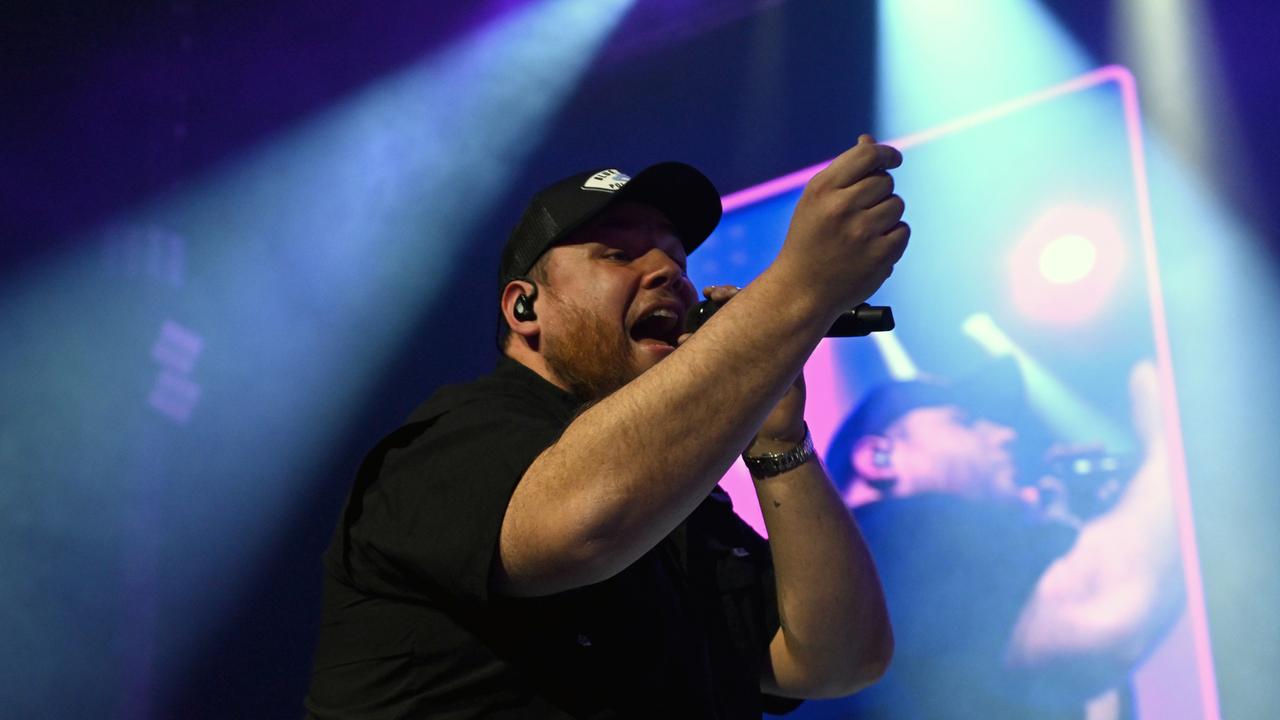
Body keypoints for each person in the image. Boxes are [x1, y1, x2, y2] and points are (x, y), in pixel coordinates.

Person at [304, 134, 909, 718]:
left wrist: (781, 443)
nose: (668, 272)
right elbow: (580, 525)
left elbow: (840, 660)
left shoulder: (683, 502)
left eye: (676, 258)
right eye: (619, 253)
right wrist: (796, 291)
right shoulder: (450, 443)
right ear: (524, 307)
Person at [803, 359, 1185, 719]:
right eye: (964, 421)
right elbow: (1106, 615)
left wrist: (1068, 530)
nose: (1005, 435)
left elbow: (1087, 680)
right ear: (879, 457)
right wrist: (1173, 441)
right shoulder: (894, 535)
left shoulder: (853, 583)